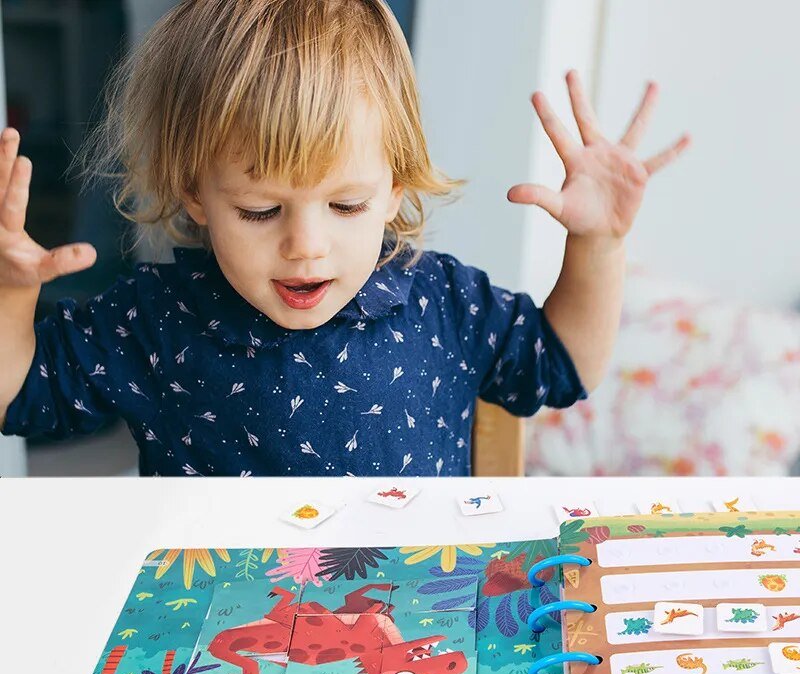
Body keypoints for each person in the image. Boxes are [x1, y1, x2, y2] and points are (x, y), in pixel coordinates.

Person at [0, 0, 689, 477]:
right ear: (194, 194)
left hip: (413, 631)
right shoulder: (153, 318)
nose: (306, 245)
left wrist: (597, 244)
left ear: (396, 185)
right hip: (222, 648)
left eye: (346, 204)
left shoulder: (442, 301)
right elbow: (19, 397)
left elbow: (562, 365)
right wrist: (10, 293)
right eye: (261, 211)